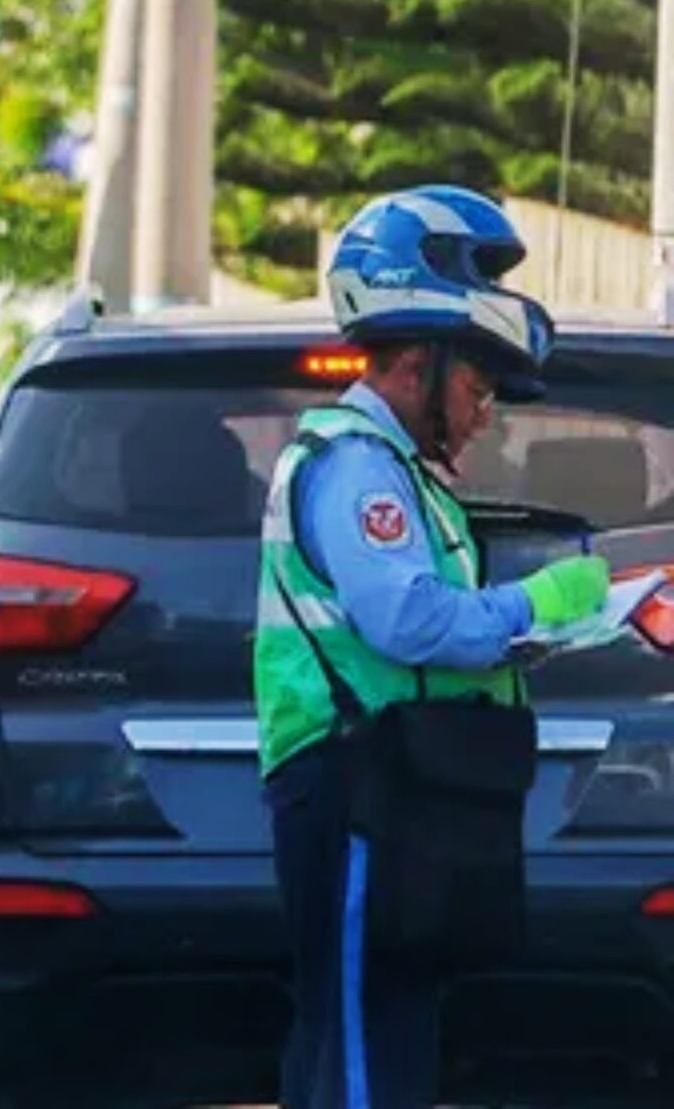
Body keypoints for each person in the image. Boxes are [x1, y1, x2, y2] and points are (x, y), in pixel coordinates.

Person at [257, 186, 607, 1109]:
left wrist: (532, 633)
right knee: (365, 1043)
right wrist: (535, 601)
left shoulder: (401, 474)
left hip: (397, 783)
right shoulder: (355, 466)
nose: (486, 412)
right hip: (355, 782)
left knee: (386, 1026)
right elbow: (405, 620)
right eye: (477, 386)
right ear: (416, 360)